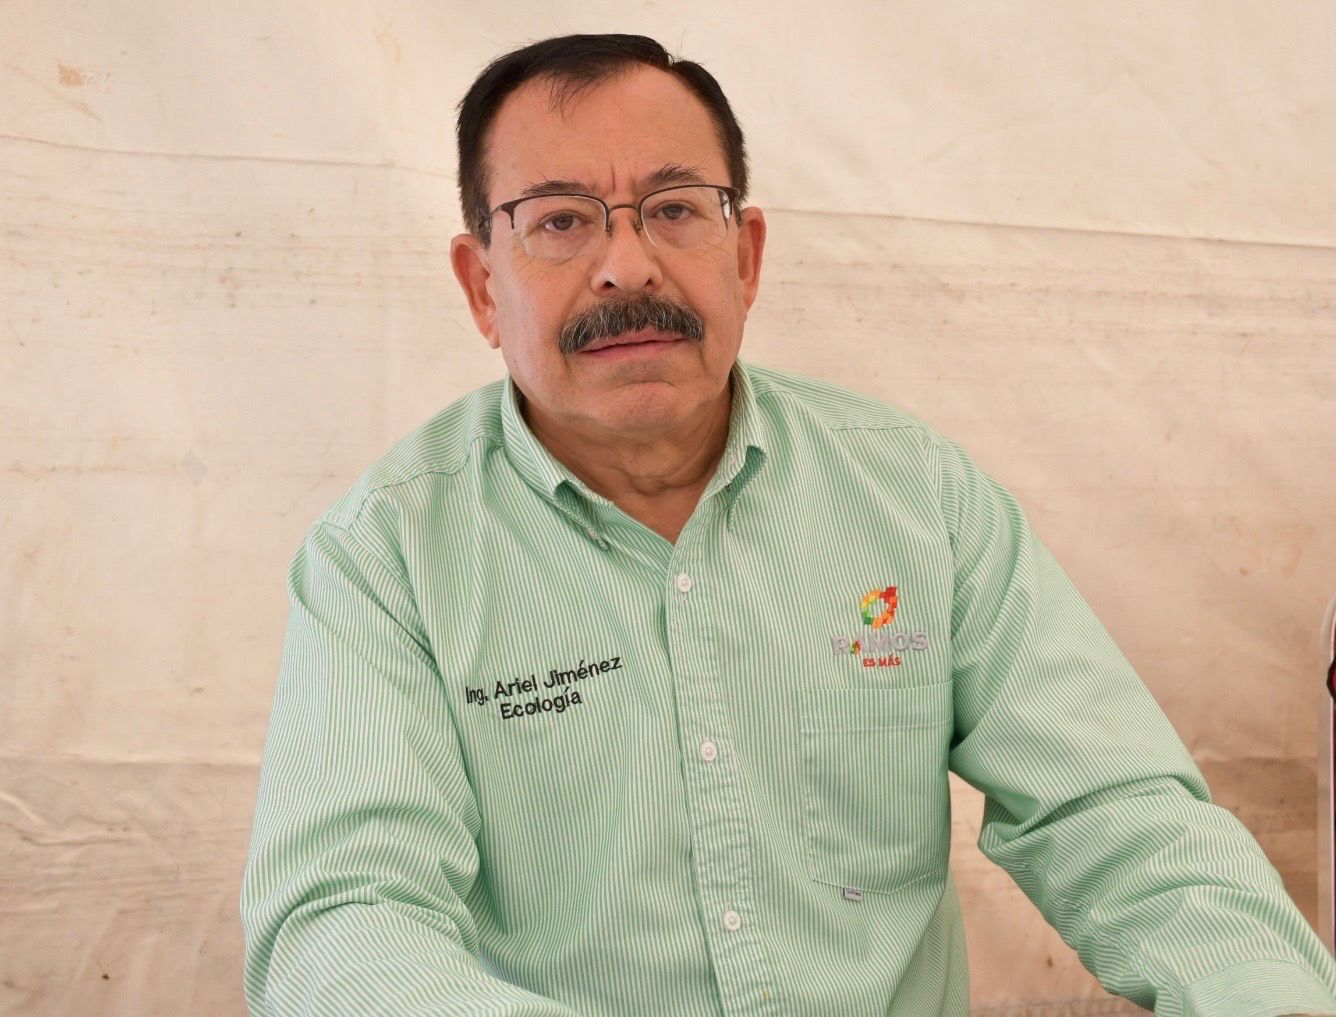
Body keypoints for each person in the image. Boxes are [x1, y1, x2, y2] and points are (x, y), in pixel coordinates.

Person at [240, 33, 1336, 1017]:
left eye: (675, 209)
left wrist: (1267, 996)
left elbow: (1114, 812)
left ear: (746, 256)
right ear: (482, 285)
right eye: (561, 221)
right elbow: (343, 923)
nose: (627, 265)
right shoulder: (386, 556)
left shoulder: (915, 496)